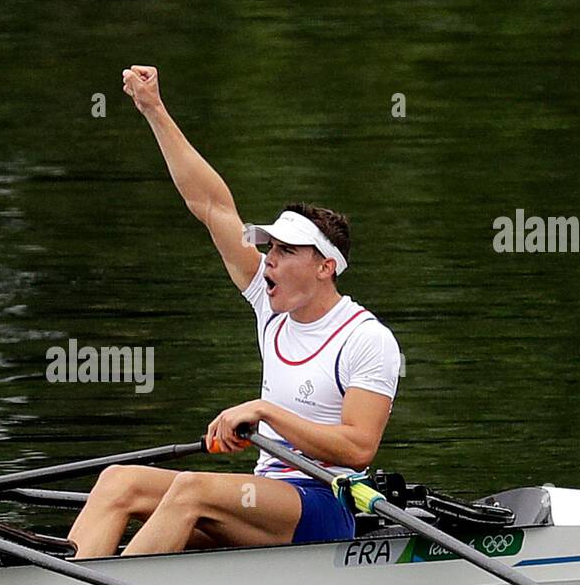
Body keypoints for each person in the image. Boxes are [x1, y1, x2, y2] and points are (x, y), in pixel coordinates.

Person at [68, 65, 401, 557]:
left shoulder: (367, 339)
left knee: (192, 490)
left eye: (285, 252)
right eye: (268, 249)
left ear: (325, 267)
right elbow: (210, 205)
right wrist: (154, 110)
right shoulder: (272, 308)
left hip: (328, 502)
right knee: (118, 481)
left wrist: (265, 412)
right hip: (266, 500)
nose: (268, 261)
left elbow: (356, 449)